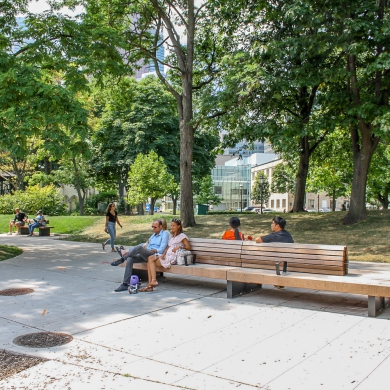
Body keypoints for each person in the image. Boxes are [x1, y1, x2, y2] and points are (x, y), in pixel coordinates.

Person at [113, 219, 169, 292]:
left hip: (154, 255)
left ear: (161, 227)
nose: (153, 229)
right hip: (146, 254)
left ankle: (122, 259)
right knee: (130, 258)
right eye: (152, 227)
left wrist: (148, 250)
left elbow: (161, 250)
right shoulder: (154, 235)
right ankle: (125, 284)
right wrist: (145, 248)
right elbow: (147, 244)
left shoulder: (165, 234)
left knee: (139, 248)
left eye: (155, 227)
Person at [140, 218, 190, 292]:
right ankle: (152, 282)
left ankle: (151, 285)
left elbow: (188, 247)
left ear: (179, 226)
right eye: (171, 225)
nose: (172, 227)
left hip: (173, 257)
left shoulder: (182, 236)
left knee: (150, 262)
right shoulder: (171, 236)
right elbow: (168, 247)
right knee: (150, 259)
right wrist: (163, 254)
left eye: (174, 225)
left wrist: (179, 247)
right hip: (166, 255)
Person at [255, 216, 294, 290]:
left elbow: (257, 240)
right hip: (287, 263)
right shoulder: (288, 235)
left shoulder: (274, 236)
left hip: (276, 264)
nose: (271, 225)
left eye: (272, 223)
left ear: (277, 226)